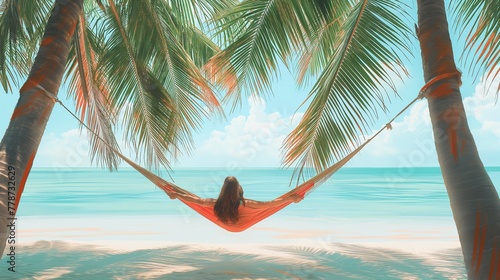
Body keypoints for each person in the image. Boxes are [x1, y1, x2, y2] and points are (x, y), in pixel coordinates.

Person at [167, 176, 303, 224]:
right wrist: (290, 198)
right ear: (237, 189)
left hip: (226, 221)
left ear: (223, 189)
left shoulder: (214, 202)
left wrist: (177, 195)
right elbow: (269, 204)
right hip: (239, 224)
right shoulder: (245, 203)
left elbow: (194, 200)